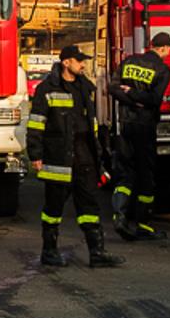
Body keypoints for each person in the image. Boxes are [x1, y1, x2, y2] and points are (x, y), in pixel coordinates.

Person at [27, 45, 125, 269]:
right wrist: (35, 154)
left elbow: (92, 125)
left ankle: (97, 252)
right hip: (58, 157)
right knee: (53, 208)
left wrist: (100, 153)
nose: (83, 64)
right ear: (66, 63)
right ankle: (49, 251)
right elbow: (36, 125)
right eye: (79, 60)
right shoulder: (47, 89)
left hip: (85, 157)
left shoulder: (84, 88)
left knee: (90, 205)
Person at [109, 33, 170, 241]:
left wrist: (128, 97)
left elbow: (112, 88)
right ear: (163, 48)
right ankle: (142, 223)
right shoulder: (163, 70)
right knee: (146, 174)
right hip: (145, 127)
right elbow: (155, 100)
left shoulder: (129, 61)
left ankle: (119, 216)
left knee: (125, 172)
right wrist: (138, 99)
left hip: (125, 125)